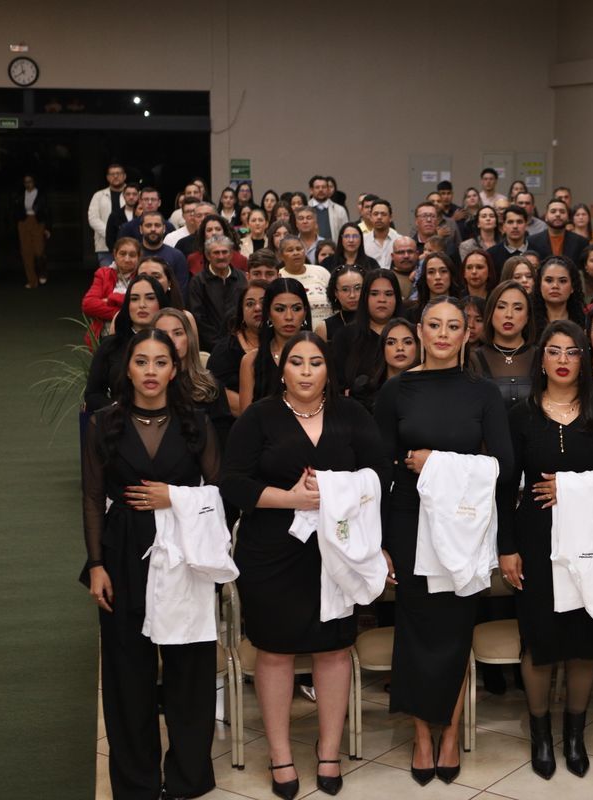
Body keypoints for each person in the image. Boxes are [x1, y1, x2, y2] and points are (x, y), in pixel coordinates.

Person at [222, 332, 389, 798]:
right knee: (275, 651)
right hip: (272, 553)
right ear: (283, 370)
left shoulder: (351, 414)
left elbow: (381, 475)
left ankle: (329, 751)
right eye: (297, 362)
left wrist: (340, 491)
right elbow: (231, 482)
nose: (306, 371)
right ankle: (280, 755)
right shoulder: (259, 417)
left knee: (333, 649)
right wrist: (290, 498)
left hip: (338, 551)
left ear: (328, 369)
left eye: (316, 362)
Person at [374, 296, 514, 786]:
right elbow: (380, 471)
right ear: (420, 330)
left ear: (466, 334)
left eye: (453, 326)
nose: (442, 334)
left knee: (454, 636)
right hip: (409, 524)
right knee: (415, 634)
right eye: (434, 325)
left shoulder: (483, 393)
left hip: (463, 528)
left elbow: (505, 467)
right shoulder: (396, 390)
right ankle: (421, 736)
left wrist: (435, 462)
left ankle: (450, 733)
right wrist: (382, 541)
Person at [81, 328, 223, 800]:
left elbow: (220, 493)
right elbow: (92, 497)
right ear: (127, 368)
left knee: (189, 666)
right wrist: (96, 564)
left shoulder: (196, 423)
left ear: (174, 369)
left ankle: (188, 777)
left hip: (184, 554)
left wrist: (174, 498)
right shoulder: (104, 423)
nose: (150, 371)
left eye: (160, 362)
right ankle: (136, 783)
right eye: (141, 361)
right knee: (127, 670)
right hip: (122, 552)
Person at [500, 321, 593, 779]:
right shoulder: (520, 416)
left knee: (583, 641)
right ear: (541, 359)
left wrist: (572, 488)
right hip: (536, 539)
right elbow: (505, 487)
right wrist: (507, 547)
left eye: (572, 352)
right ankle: (540, 734)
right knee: (539, 641)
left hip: (591, 542)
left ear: (584, 359)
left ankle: (575, 734)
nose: (563, 360)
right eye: (554, 351)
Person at [84, 275, 171, 412]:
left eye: (150, 298)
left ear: (160, 302)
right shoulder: (110, 345)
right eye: (134, 299)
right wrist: (119, 410)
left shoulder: (173, 342)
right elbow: (93, 394)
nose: (142, 305)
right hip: (120, 418)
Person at [153, 308, 233, 448]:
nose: (171, 340)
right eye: (163, 335)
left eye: (178, 333)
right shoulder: (147, 386)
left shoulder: (211, 387)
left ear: (189, 338)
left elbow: (222, 443)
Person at [238, 279, 313, 412]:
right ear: (268, 314)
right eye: (280, 309)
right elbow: (246, 419)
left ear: (305, 312)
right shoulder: (251, 361)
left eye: (296, 309)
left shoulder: (321, 357)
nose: (289, 317)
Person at [331, 269, 404, 402]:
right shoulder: (344, 336)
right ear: (365, 297)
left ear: (397, 298)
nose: (382, 300)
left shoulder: (410, 335)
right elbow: (337, 387)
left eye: (388, 294)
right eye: (374, 294)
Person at [471, 280, 538, 410]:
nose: (509, 315)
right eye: (501, 307)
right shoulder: (473, 359)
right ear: (490, 312)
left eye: (517, 308)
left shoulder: (542, 357)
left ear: (527, 316)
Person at [208, 278, 265, 416]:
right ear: (241, 313)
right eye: (250, 304)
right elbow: (218, 393)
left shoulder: (285, 345)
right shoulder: (225, 350)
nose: (258, 308)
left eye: (264, 302)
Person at [187, 235, 247, 351]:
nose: (221, 257)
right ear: (208, 256)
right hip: (209, 348)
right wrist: (219, 345)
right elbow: (198, 317)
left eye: (225, 252)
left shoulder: (242, 278)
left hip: (240, 345)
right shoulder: (198, 282)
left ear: (231, 254)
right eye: (216, 253)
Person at [83, 237, 141, 340]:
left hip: (136, 336)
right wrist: (126, 312)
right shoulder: (103, 274)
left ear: (139, 257)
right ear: (115, 254)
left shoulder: (142, 276)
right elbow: (88, 305)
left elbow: (142, 306)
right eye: (122, 254)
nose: (127, 259)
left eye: (132, 255)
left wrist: (112, 298)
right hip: (105, 335)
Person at [276, 236, 332, 329]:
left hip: (328, 330)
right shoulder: (279, 276)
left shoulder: (321, 271)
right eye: (290, 250)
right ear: (281, 256)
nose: (296, 253)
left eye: (299, 249)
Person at [12, 173, 51, 288]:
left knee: (39, 250)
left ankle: (43, 272)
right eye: (26, 182)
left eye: (30, 181)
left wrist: (47, 228)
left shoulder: (41, 195)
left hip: (38, 222)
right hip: (24, 221)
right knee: (26, 252)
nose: (28, 184)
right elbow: (15, 209)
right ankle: (32, 281)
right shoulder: (20, 195)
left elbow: (47, 211)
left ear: (34, 182)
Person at [137, 210, 190, 294]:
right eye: (148, 225)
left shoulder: (177, 256)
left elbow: (181, 291)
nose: (153, 229)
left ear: (164, 228)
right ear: (141, 229)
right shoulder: (133, 255)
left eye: (157, 225)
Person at [88, 163, 128, 265]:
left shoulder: (133, 194)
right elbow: (93, 219)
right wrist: (110, 233)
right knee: (107, 274)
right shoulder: (98, 195)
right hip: (105, 247)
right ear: (107, 177)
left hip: (130, 245)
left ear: (124, 176)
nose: (115, 176)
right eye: (112, 174)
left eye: (118, 173)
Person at [315, 266, 364, 341]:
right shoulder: (324, 328)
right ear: (336, 293)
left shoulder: (378, 320)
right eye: (345, 289)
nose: (352, 295)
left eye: (358, 288)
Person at [410, 253, 465, 320]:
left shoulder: (464, 310)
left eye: (443, 271)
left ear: (451, 275)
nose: (437, 277)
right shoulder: (412, 314)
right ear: (425, 277)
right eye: (431, 272)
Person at [533, 256, 586, 326]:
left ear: (572, 287)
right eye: (549, 280)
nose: (555, 286)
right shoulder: (527, 321)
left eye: (562, 281)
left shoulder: (586, 322)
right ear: (539, 284)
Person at [489, 205, 532, 271]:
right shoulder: (492, 255)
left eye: (519, 222)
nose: (515, 226)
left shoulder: (538, 251)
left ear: (526, 226)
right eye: (510, 222)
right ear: (504, 226)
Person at [308, 175, 348, 242]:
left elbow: (346, 233)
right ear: (311, 190)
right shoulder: (304, 209)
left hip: (334, 247)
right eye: (317, 187)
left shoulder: (339, 210)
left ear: (328, 190)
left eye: (323, 187)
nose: (321, 190)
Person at [106, 184, 142, 257]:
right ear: (123, 196)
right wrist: (116, 255)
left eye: (134, 194)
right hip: (121, 255)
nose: (131, 197)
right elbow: (110, 239)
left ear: (139, 196)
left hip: (141, 254)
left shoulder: (144, 215)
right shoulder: (115, 215)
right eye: (128, 194)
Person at [362, 199, 398, 268]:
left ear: (390, 217)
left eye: (383, 214)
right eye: (375, 214)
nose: (379, 217)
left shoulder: (399, 240)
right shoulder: (363, 241)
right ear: (370, 217)